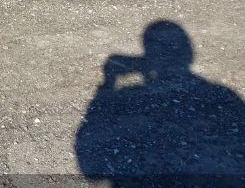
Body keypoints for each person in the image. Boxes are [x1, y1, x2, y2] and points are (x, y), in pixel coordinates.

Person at [75, 21, 245, 186]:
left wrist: (108, 84)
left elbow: (90, 165)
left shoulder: (125, 100)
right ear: (189, 55)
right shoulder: (223, 97)